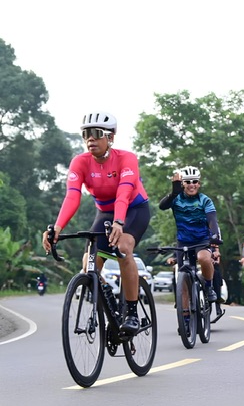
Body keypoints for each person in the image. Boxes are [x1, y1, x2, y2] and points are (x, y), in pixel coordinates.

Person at [42, 112, 150, 335]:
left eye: (96, 133)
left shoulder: (127, 158)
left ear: (110, 137)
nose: (90, 138)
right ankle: (109, 301)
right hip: (105, 213)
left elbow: (124, 193)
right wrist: (57, 228)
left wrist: (119, 221)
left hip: (133, 210)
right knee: (88, 265)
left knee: (123, 249)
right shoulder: (80, 162)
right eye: (85, 134)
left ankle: (131, 313)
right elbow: (72, 196)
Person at [159, 166, 223, 308]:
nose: (191, 185)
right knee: (183, 279)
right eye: (188, 182)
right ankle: (186, 316)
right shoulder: (176, 198)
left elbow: (212, 219)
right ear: (183, 184)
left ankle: (208, 286)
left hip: (202, 240)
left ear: (199, 183)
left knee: (204, 258)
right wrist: (173, 193)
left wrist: (214, 235)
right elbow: (162, 206)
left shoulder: (205, 200)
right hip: (183, 241)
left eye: (194, 181)